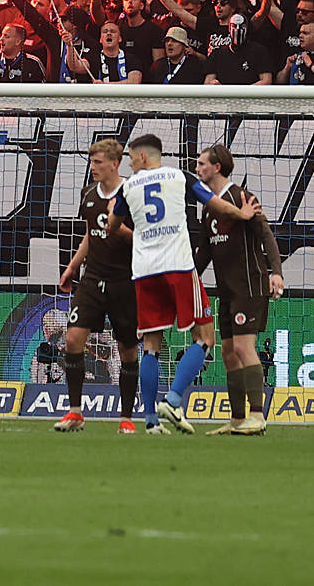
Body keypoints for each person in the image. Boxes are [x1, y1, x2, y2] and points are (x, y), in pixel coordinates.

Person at [111, 132, 260, 434]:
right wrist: (241, 213)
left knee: (151, 345)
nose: (129, 162)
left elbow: (113, 226)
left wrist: (138, 231)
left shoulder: (128, 187)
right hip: (178, 266)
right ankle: (174, 397)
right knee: (205, 339)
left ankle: (151, 420)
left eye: (130, 157)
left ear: (142, 156)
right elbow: (215, 203)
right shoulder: (180, 176)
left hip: (144, 270)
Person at [194, 143, 283, 435]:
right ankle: (237, 418)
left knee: (245, 348)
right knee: (229, 353)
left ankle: (258, 416)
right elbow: (205, 251)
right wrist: (189, 278)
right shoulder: (210, 208)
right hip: (227, 291)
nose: (197, 169)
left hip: (250, 286)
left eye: (202, 164)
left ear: (217, 167)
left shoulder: (242, 197)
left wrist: (276, 273)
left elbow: (266, 236)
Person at [53, 136, 139, 433]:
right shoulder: (88, 193)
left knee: (127, 351)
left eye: (98, 162)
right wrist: (73, 266)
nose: (93, 167)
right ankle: (75, 412)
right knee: (73, 340)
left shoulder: (133, 193)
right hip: (91, 280)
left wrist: (119, 228)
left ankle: (126, 417)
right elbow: (91, 234)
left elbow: (145, 239)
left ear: (115, 164)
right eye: (91, 162)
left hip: (124, 283)